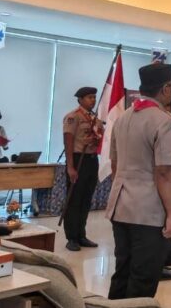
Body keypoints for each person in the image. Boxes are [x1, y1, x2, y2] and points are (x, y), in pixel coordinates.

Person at [106, 63, 171, 300]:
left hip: (120, 206)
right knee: (143, 278)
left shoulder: (122, 118)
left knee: (122, 272)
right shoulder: (166, 121)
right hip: (148, 211)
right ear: (165, 89)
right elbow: (164, 172)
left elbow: (115, 164)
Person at [62, 86, 104, 251]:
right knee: (74, 200)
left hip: (91, 160)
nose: (93, 100)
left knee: (86, 199)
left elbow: (99, 138)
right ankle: (71, 237)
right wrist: (70, 167)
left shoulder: (95, 118)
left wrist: (97, 139)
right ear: (80, 99)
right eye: (89, 97)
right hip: (78, 159)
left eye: (94, 97)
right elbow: (68, 142)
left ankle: (81, 235)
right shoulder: (73, 117)